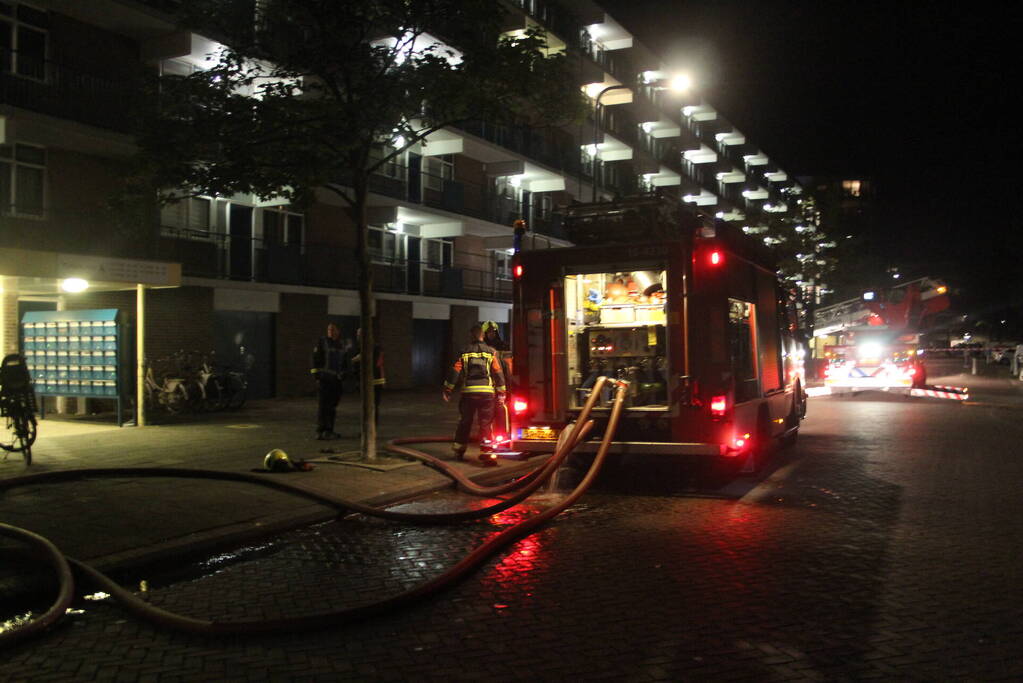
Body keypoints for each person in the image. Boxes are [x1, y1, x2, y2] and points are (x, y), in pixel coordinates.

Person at [443, 324, 507, 465]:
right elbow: (498, 373)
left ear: (471, 335)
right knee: (485, 424)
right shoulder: (491, 352)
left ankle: (459, 451)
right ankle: (487, 455)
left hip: (468, 394)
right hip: (487, 394)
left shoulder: (464, 351)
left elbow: (455, 371)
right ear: (483, 336)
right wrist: (502, 393)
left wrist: (448, 389)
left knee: (465, 422)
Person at [311, 322, 345, 440]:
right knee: (323, 406)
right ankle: (321, 430)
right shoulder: (322, 342)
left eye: (333, 329)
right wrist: (317, 377)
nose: (330, 331)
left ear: (338, 331)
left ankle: (329, 430)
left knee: (332, 406)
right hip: (325, 380)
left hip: (336, 381)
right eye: (329, 329)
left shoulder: (340, 344)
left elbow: (343, 362)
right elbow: (315, 360)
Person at [481, 320, 512, 441]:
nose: (491, 334)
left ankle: (502, 435)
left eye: (493, 332)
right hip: (488, 384)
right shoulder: (482, 347)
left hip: (503, 383)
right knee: (487, 413)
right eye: (488, 332)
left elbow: (507, 366)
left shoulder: (504, 346)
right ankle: (489, 437)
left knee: (503, 410)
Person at [352, 328, 386, 425]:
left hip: (375, 382)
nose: (358, 337)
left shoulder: (375, 348)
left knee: (373, 406)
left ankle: (372, 427)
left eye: (360, 334)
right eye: (358, 334)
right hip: (363, 382)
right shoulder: (358, 348)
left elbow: (378, 363)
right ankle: (367, 427)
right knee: (365, 406)